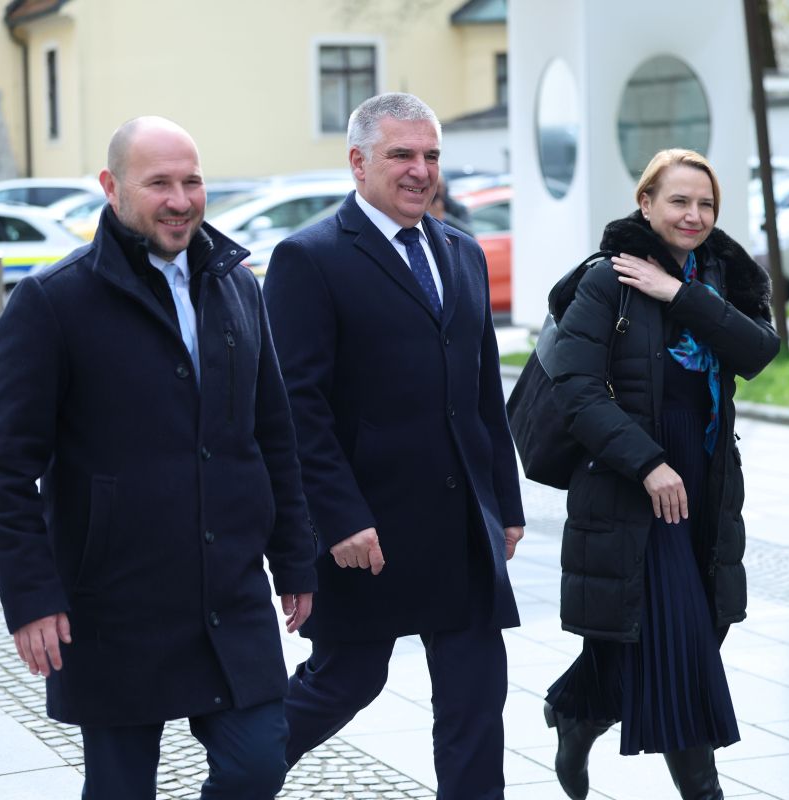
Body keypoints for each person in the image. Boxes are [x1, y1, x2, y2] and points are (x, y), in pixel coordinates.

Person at [0, 116, 318, 800]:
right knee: (121, 788)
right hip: (113, 603)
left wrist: (295, 558)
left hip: (229, 592)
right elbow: (3, 468)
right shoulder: (52, 301)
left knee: (257, 765)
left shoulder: (238, 286)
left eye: (192, 182)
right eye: (159, 183)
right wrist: (32, 598)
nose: (180, 200)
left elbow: (273, 434)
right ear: (111, 187)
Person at [262, 92, 525, 800]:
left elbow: (482, 393)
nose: (420, 170)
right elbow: (297, 408)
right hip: (369, 526)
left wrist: (503, 501)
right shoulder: (308, 257)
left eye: (431, 155)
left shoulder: (462, 252)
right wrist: (338, 518)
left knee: (476, 696)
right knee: (346, 680)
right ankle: (237, 779)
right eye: (401, 154)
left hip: (461, 526)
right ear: (358, 162)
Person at [541, 149, 780, 799]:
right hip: (634, 487)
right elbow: (576, 390)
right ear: (646, 203)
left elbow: (759, 349)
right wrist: (648, 464)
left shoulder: (723, 275)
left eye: (706, 204)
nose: (694, 215)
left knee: (689, 633)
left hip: (704, 486)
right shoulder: (608, 279)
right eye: (679, 201)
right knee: (683, 651)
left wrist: (680, 294)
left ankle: (579, 710)